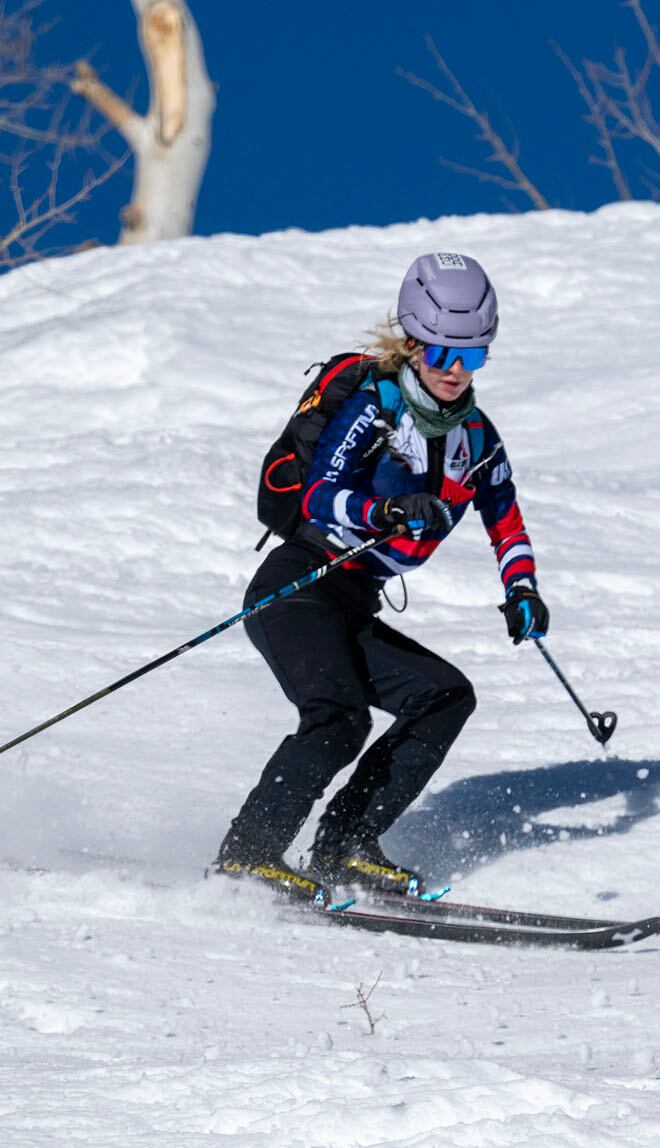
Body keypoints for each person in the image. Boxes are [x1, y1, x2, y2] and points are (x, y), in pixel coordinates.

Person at [214, 251, 548, 902]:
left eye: (473, 356)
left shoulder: (475, 439)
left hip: (354, 600)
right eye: (441, 352)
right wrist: (385, 510)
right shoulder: (375, 407)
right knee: (338, 718)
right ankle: (247, 853)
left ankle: (345, 846)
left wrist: (523, 589)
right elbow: (318, 496)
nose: (455, 371)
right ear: (413, 342)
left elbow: (505, 521)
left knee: (444, 695)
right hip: (302, 583)